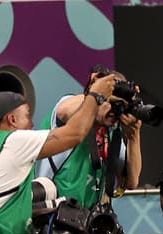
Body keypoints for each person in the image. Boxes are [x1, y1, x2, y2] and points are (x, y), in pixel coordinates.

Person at [0, 74, 117, 234]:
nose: (32, 124)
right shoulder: (14, 141)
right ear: (12, 119)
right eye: (27, 116)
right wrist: (95, 95)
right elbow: (75, 133)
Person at [37, 69, 144, 211]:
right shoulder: (72, 113)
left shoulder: (111, 135)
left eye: (119, 105)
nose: (114, 109)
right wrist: (98, 91)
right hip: (53, 219)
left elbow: (132, 181)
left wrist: (134, 135)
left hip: (88, 222)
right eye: (110, 101)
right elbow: (64, 111)